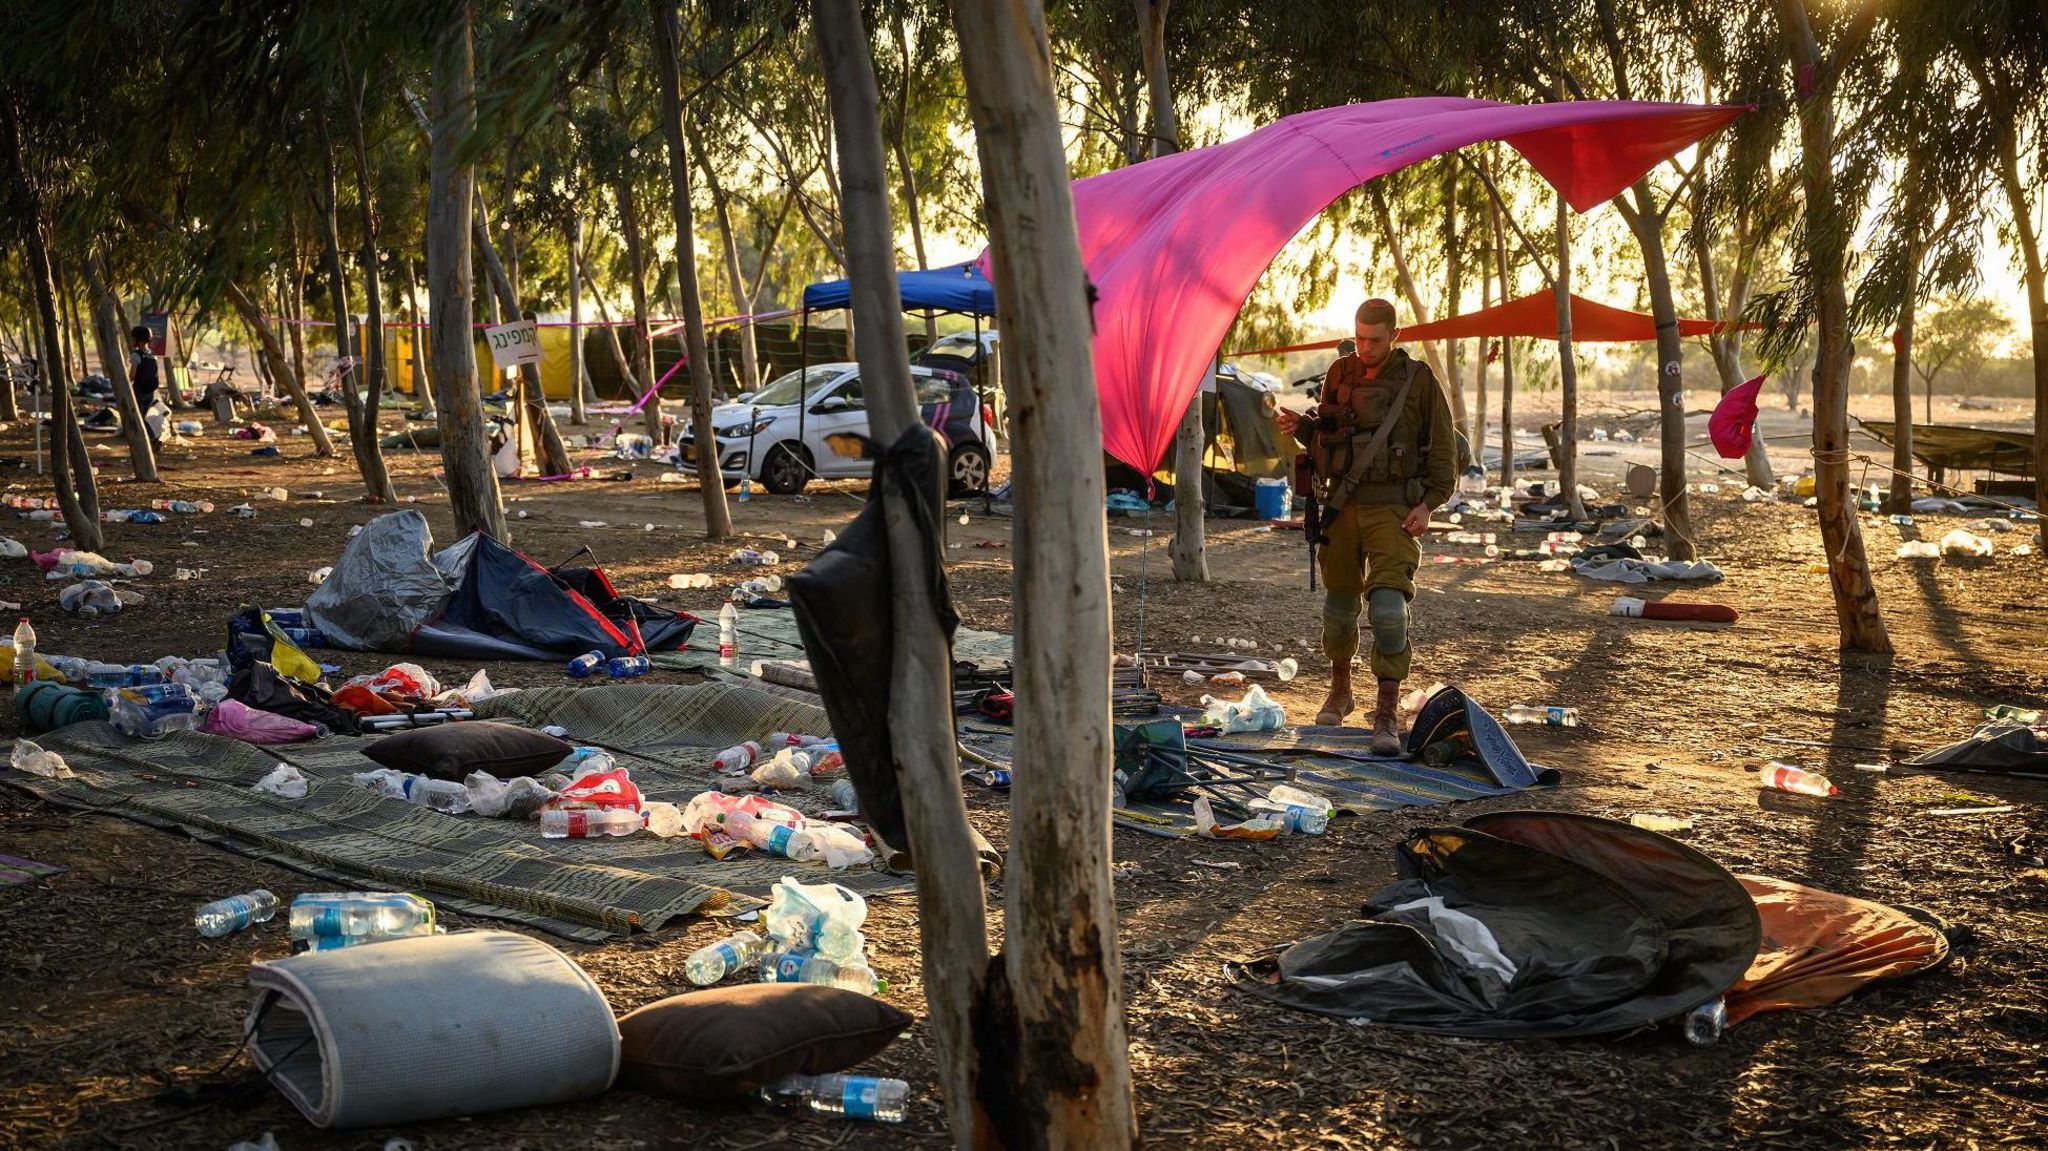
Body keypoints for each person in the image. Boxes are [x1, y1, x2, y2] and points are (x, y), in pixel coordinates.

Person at [1276, 298, 1454, 753]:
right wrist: (1301, 426)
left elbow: (1443, 454)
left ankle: (1387, 712)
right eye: (1359, 338)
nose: (1366, 348)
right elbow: (1326, 435)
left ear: (1395, 336)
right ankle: (1340, 690)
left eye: (1376, 340)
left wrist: (1429, 504)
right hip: (1341, 505)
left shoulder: (1418, 380)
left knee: (1390, 612)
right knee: (1338, 610)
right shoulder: (1340, 373)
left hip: (1394, 508)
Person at [127, 326, 161, 448]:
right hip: (150, 393)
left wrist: (125, 385)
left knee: (139, 419)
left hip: (139, 391)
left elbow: (132, 375)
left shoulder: (136, 355)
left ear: (138, 340)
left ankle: (152, 439)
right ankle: (149, 440)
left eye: (133, 338)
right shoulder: (152, 355)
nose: (131, 341)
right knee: (142, 417)